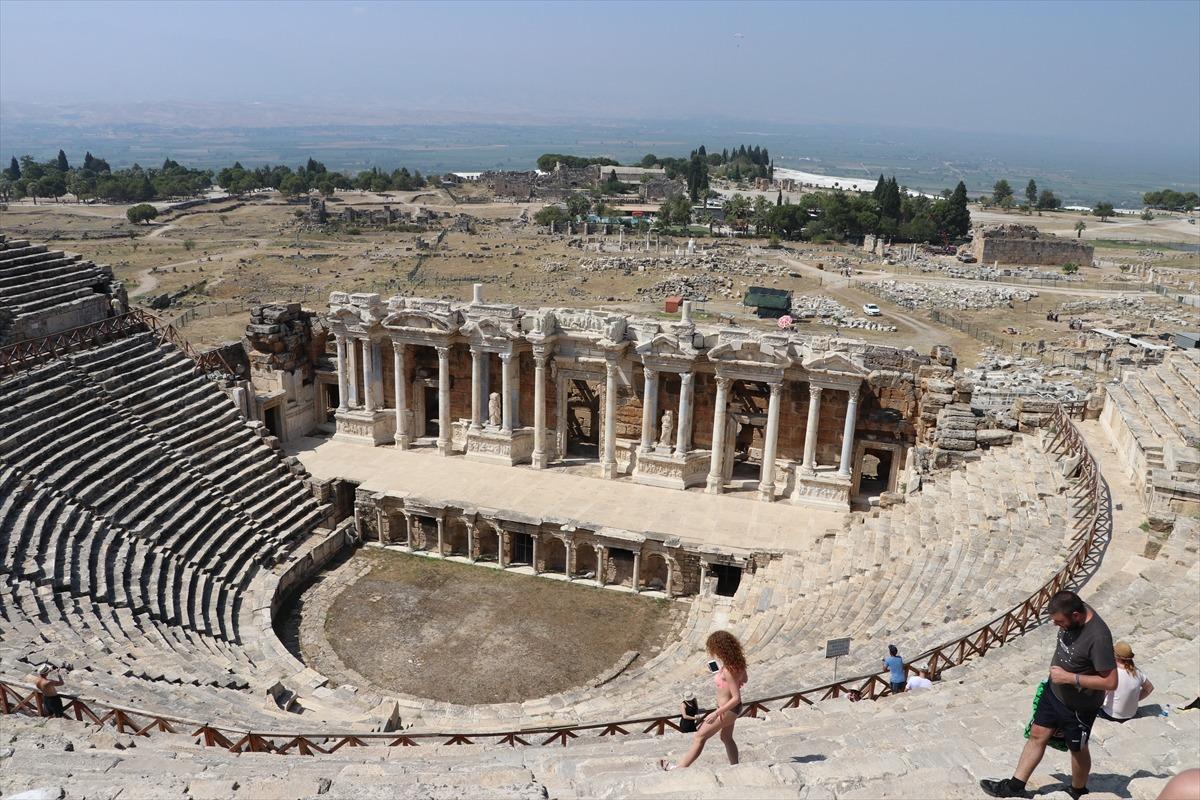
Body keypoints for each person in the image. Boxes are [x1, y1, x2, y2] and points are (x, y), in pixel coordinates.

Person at [980, 590, 1117, 800]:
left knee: (1077, 748)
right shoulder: (1074, 609)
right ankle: (1015, 787)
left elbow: (1110, 682)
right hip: (1054, 692)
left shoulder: (1098, 637)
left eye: (1060, 621)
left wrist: (1070, 678)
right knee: (1037, 734)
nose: (1055, 625)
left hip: (1079, 706)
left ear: (1076, 616)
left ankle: (1078, 790)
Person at [661, 631, 747, 770]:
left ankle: (678, 769)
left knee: (700, 737)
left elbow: (736, 698)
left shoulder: (728, 670)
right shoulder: (738, 663)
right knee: (726, 738)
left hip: (726, 710)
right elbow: (744, 679)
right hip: (731, 709)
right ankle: (735, 767)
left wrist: (715, 713)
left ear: (720, 649)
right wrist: (721, 676)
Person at [1099, 641, 1153, 723]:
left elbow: (1101, 697)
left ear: (1115, 656)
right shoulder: (1137, 672)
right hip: (1131, 714)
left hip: (1111, 714)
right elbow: (1149, 688)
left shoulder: (1112, 672)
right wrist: (1133, 700)